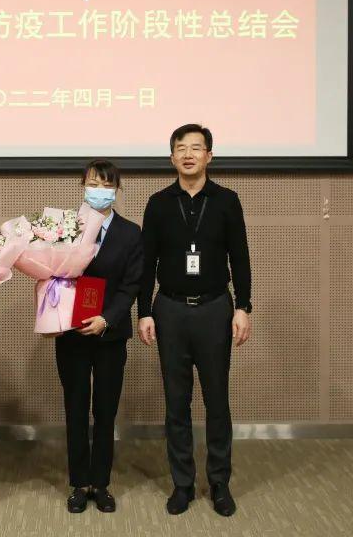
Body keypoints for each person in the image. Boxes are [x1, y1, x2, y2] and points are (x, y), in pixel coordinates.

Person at [137, 124, 252, 518]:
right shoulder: (158, 203)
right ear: (172, 157)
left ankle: (219, 482)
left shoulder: (227, 201)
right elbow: (146, 262)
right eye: (181, 149)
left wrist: (244, 306)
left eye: (196, 148)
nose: (188, 155)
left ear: (209, 156)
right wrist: (144, 311)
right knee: (176, 402)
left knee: (216, 399)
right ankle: (182, 484)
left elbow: (240, 257)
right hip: (169, 309)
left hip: (215, 308)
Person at [56, 159, 143, 514]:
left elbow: (132, 284)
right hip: (72, 333)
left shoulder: (131, 232)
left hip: (110, 335)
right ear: (82, 186)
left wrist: (107, 318)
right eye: (93, 183)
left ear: (117, 189)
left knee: (105, 411)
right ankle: (79, 483)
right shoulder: (64, 228)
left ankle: (101, 483)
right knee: (75, 409)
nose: (100, 190)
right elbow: (52, 276)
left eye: (107, 185)